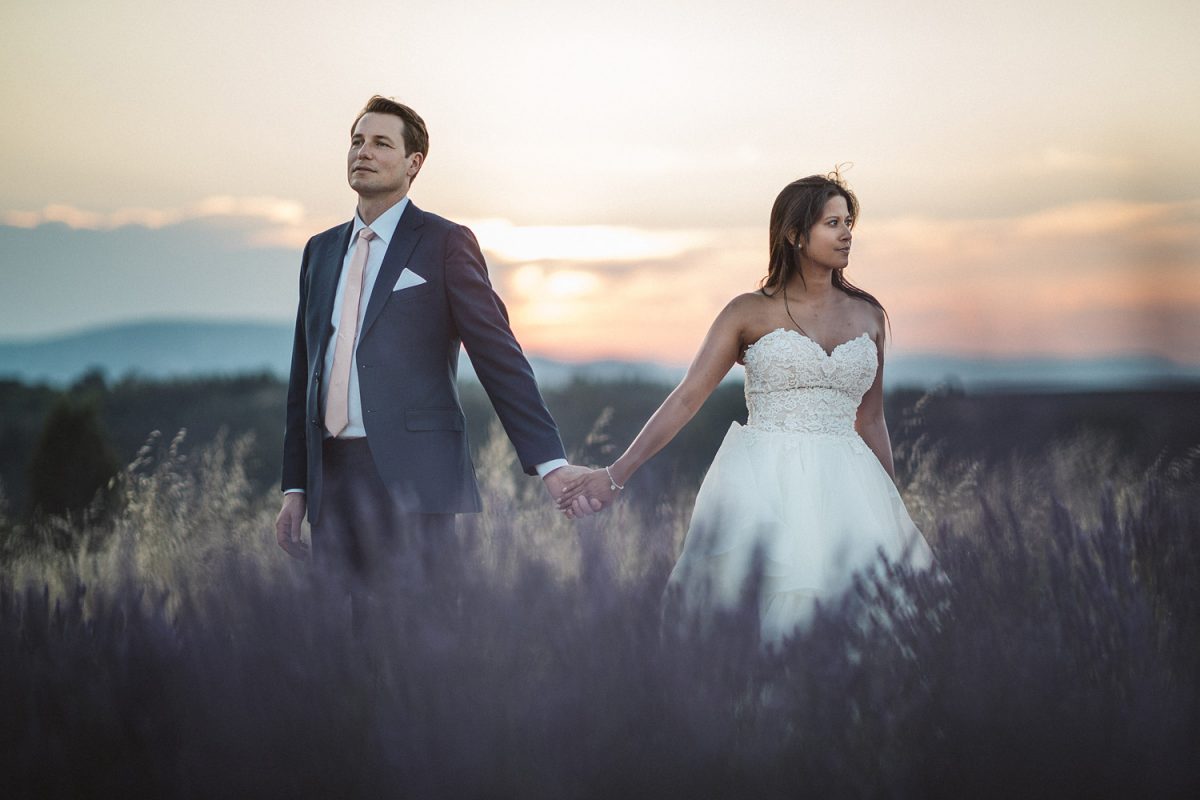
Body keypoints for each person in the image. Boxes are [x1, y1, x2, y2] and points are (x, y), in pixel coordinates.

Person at [558, 173, 933, 643]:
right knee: (766, 618)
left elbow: (871, 418)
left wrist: (890, 506)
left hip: (849, 486)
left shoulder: (869, 315)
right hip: (764, 482)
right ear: (795, 235)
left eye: (848, 222)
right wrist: (616, 473)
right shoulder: (748, 312)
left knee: (869, 624)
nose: (846, 234)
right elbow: (688, 396)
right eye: (831, 223)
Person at [274, 95, 598, 620]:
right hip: (330, 480)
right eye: (357, 141)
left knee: (418, 649)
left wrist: (551, 464)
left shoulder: (445, 243)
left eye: (381, 143)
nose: (364, 152)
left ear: (413, 162)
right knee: (338, 654)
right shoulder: (320, 250)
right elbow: (303, 374)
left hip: (414, 480)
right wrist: (296, 487)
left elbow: (499, 358)